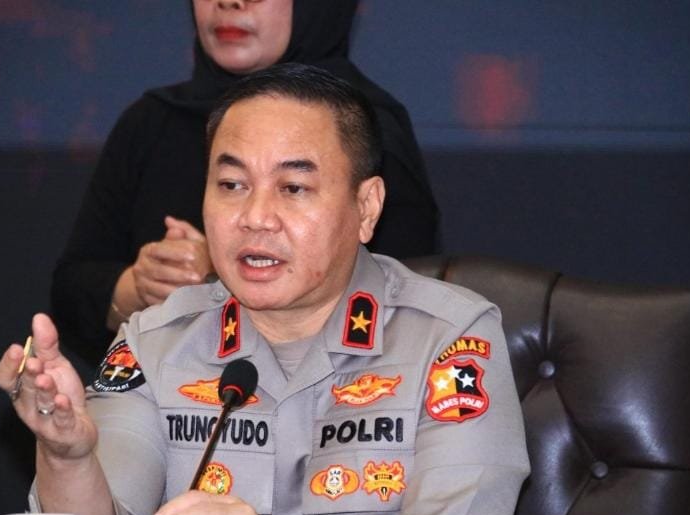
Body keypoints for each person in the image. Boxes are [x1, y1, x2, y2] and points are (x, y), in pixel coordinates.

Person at [0, 64, 527, 515]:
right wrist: (68, 459)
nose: (254, 218)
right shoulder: (156, 343)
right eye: (232, 185)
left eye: (293, 188)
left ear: (367, 206)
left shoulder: (447, 339)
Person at [51, 0, 440, 370]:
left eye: (293, 186)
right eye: (231, 184)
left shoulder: (364, 130)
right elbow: (72, 288)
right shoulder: (152, 121)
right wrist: (139, 286)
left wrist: (223, 275)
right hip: (169, 394)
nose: (230, 3)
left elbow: (401, 304)